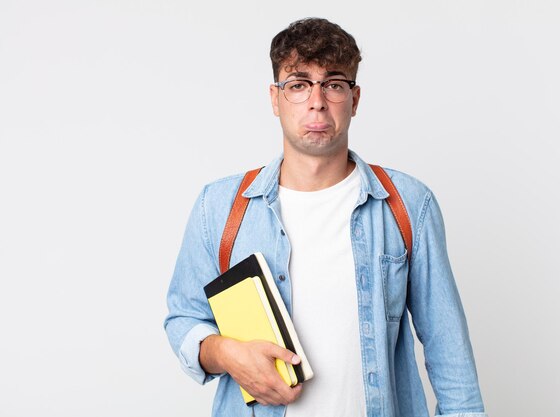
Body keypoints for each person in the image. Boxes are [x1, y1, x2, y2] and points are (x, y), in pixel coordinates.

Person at [165, 17, 487, 417]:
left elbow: (448, 350)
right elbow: (183, 318)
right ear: (275, 98)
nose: (317, 100)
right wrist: (225, 352)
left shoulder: (407, 205)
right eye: (298, 84)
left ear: (354, 99)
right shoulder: (219, 207)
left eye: (333, 83)